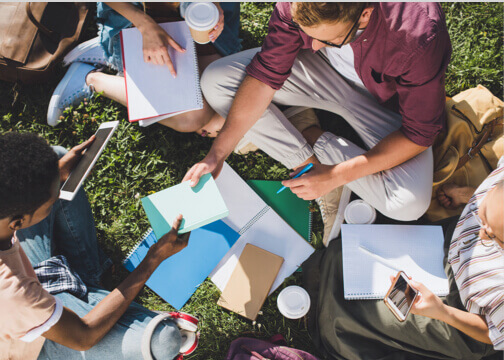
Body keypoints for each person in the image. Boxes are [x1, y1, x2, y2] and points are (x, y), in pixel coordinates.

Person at [184, 2, 452, 245]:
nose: (310, 45)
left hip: (387, 103)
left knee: (408, 205)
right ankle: (307, 166)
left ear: (365, 14)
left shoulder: (418, 35)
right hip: (322, 71)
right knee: (216, 81)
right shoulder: (301, 7)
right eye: (305, 33)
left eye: (331, 39)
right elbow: (266, 73)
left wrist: (337, 175)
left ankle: (309, 136)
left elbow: (418, 135)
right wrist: (217, 154)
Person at [0, 132, 189, 360]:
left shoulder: (9, 221)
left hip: (34, 287)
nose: (57, 197)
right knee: (164, 339)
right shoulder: (14, 294)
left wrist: (55, 174)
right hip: (38, 341)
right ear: (18, 223)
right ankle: (88, 288)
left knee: (59, 163)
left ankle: (86, 283)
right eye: (51, 203)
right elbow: (84, 335)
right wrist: (153, 258)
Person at [301, 157, 504, 359]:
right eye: (482, 215)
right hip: (445, 244)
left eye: (496, 237)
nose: (482, 234)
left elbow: (492, 333)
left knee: (362, 316)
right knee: (351, 259)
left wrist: (442, 312)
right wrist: (464, 195)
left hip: (460, 311)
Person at [47, 2, 241, 136]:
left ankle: (115, 54)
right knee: (192, 118)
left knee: (221, 96)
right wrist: (145, 26)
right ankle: (90, 78)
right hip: (136, 17)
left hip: (194, 17)